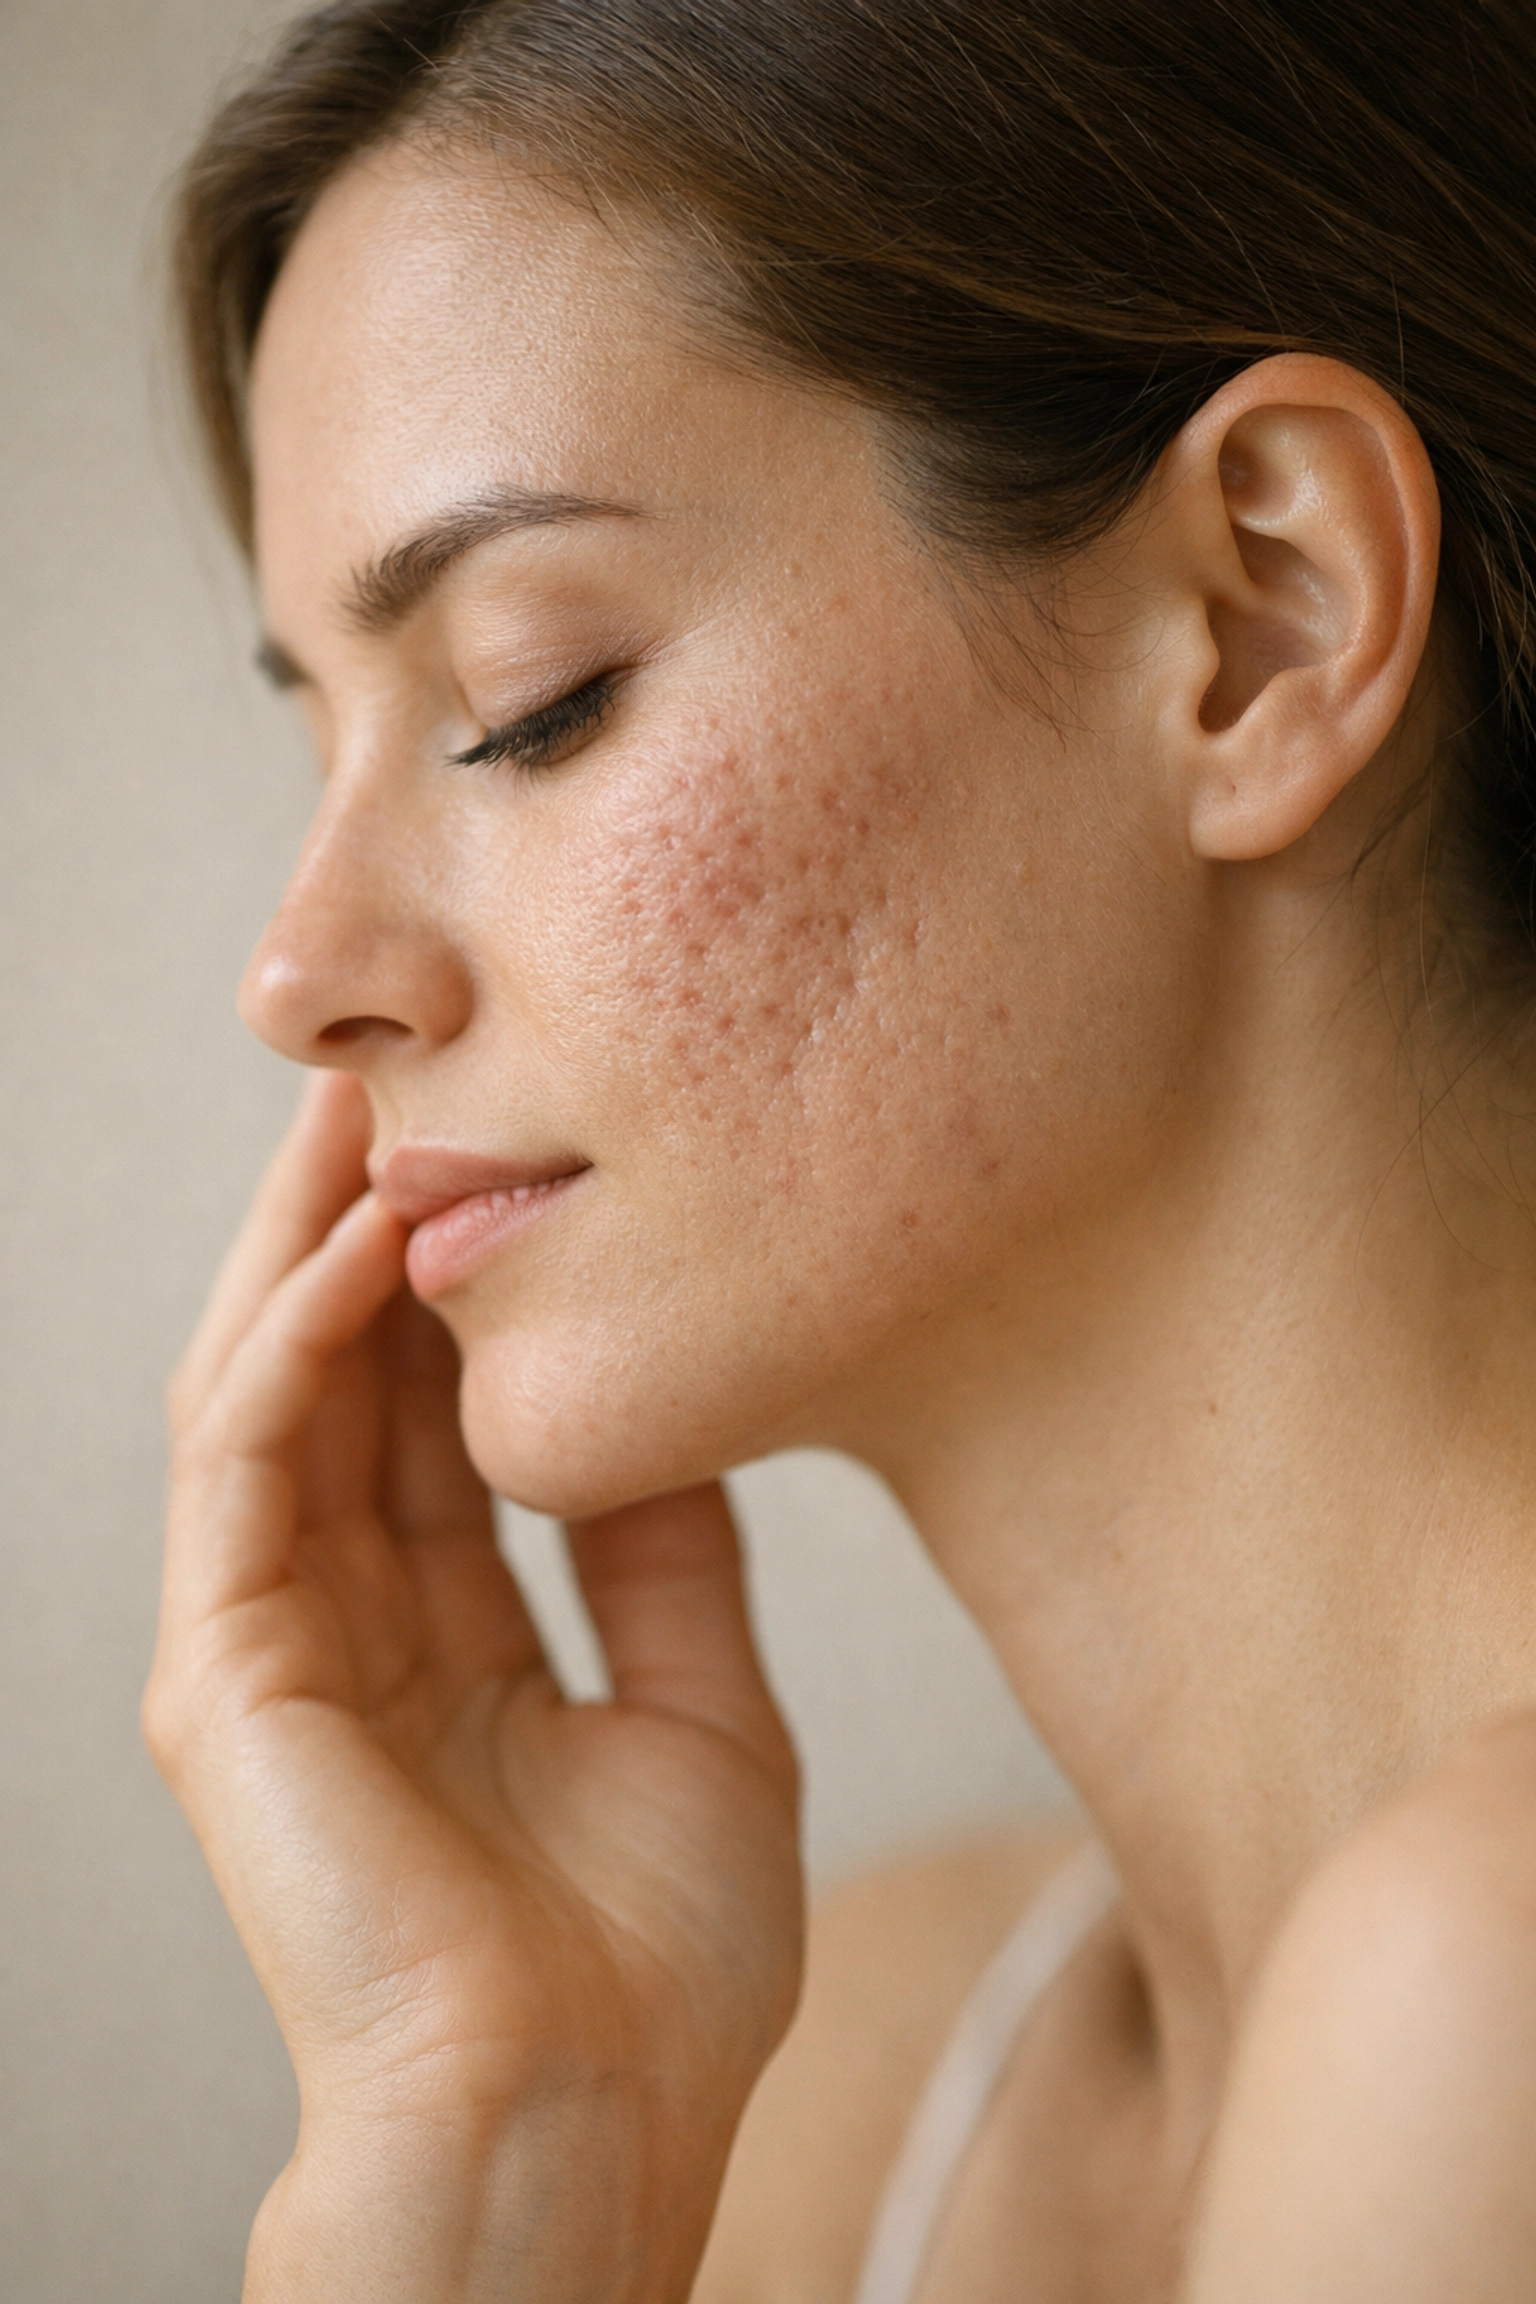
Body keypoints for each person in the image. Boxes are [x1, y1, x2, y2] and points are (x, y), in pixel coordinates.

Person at [144, 1, 1536, 2296]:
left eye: (525, 702)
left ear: (1260, 618)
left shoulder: (1482, 1995)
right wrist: (503, 2153)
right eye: (323, 749)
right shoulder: (851, 2092)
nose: (301, 972)